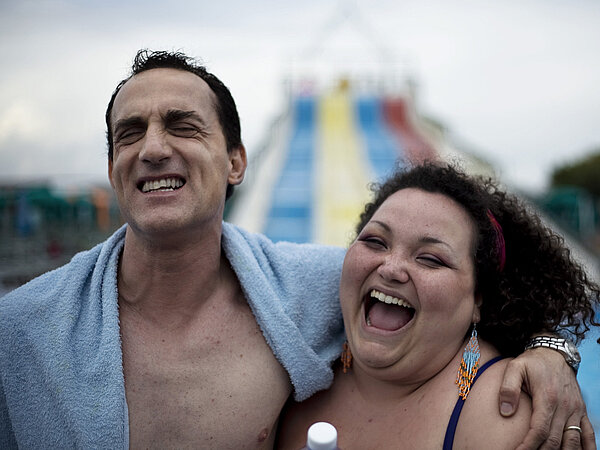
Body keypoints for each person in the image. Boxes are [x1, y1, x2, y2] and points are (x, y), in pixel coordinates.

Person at [0, 50, 592, 449]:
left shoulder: (300, 292)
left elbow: (487, 293)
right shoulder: (25, 330)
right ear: (112, 168)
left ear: (237, 162)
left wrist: (550, 350)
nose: (152, 149)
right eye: (129, 134)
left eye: (182, 125)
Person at [276, 163, 599, 449]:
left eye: (430, 259)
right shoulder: (292, 359)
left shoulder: (505, 414)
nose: (391, 268)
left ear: (478, 299)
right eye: (375, 241)